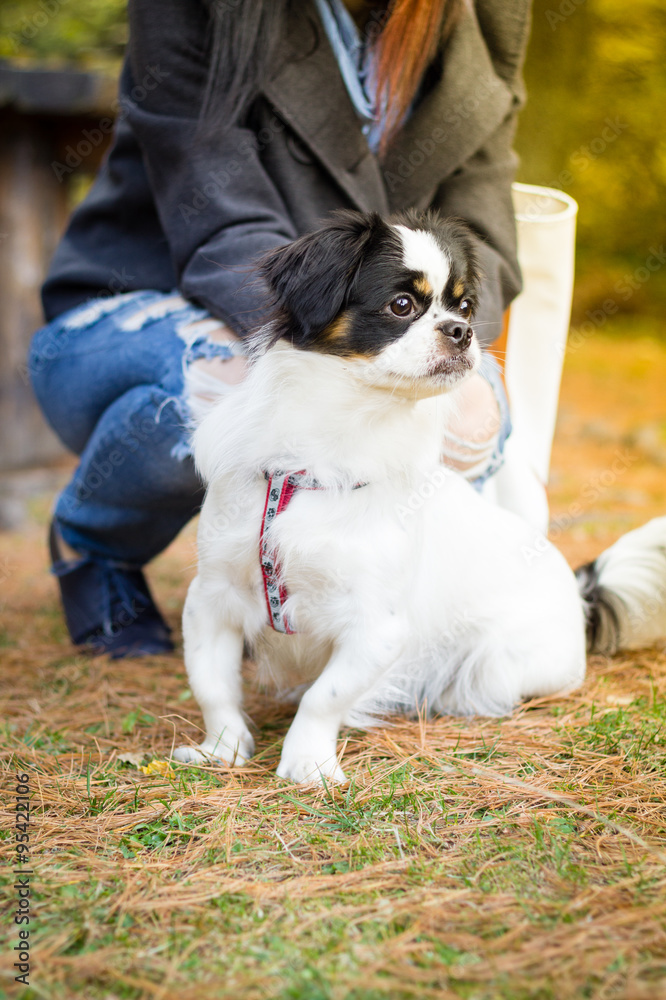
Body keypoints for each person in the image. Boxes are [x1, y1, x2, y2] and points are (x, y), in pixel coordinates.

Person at [29, 0, 531, 658]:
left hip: (382, 320)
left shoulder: (482, 15)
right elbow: (221, 221)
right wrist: (322, 349)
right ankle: (94, 542)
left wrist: (435, 348)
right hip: (148, 298)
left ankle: (329, 601)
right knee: (229, 392)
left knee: (470, 424)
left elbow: (483, 230)